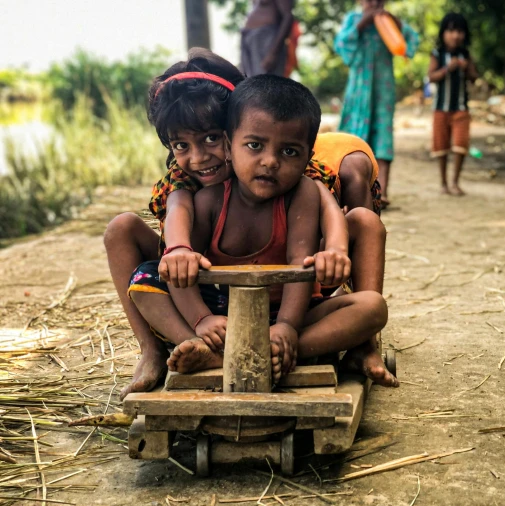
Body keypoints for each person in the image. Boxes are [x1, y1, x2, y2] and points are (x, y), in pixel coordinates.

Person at [106, 49, 352, 399]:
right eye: (181, 145)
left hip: (278, 291)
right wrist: (179, 250)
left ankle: (271, 346)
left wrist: (336, 249)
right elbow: (177, 214)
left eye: (211, 138)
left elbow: (322, 210)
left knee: (365, 294)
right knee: (122, 231)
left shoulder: (281, 166)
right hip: (203, 283)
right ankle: (159, 350)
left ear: (234, 129)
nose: (200, 157)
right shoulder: (185, 179)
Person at [131, 75, 391, 384]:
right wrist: (202, 320)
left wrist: (287, 328)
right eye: (255, 146)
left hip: (293, 313)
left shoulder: (302, 193)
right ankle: (205, 345)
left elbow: (299, 259)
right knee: (145, 283)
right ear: (230, 147)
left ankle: (262, 352)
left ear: (308, 156)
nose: (270, 161)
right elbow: (179, 274)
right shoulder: (207, 201)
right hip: (224, 317)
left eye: (289, 152)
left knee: (372, 307)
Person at [335, 0, 419, 209]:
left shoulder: (389, 22)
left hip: (383, 91)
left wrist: (396, 23)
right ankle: (351, 192)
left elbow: (411, 43)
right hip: (358, 93)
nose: (374, 2)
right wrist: (362, 24)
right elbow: (341, 45)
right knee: (354, 141)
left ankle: (382, 193)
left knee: (383, 139)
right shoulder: (354, 20)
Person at [428, 12, 478, 196]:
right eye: (451, 31)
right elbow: (431, 77)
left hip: (461, 108)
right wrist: (447, 69)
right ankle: (443, 183)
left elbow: (474, 77)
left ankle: (455, 182)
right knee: (441, 147)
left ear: (464, 34)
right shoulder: (437, 54)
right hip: (440, 109)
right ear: (443, 33)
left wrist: (467, 68)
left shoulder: (466, 55)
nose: (455, 35)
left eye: (459, 31)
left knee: (460, 145)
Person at [241, 0, 294, 77]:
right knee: (248, 80)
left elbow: (288, 16)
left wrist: (273, 53)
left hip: (266, 39)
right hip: (249, 39)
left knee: (265, 83)